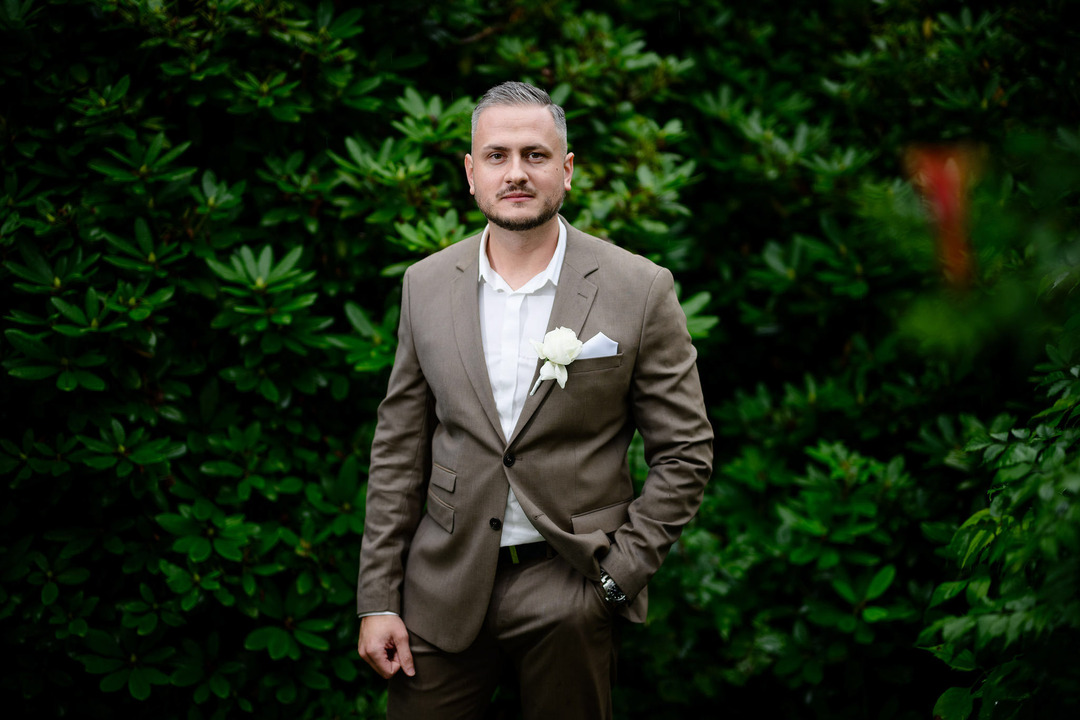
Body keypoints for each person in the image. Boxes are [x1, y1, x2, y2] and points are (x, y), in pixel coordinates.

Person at [355, 81, 713, 720]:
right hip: (440, 588)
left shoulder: (640, 288)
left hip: (570, 587)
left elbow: (685, 453)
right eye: (496, 156)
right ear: (470, 173)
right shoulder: (426, 284)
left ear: (567, 170)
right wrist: (379, 597)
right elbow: (399, 449)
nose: (515, 172)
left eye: (535, 155)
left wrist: (616, 577)